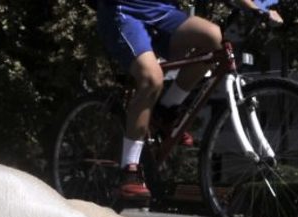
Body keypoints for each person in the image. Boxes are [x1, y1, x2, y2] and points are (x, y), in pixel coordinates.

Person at [95, 0, 283, 205]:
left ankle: (166, 110)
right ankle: (129, 169)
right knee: (152, 78)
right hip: (124, 11)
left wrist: (258, 10)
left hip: (162, 10)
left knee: (214, 39)